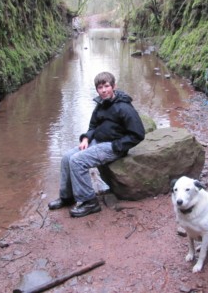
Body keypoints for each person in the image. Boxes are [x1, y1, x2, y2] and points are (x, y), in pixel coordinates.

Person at [48, 71, 145, 217]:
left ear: (114, 86)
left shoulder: (124, 108)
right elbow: (93, 126)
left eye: (106, 86)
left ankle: (90, 202)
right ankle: (67, 197)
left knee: (78, 161)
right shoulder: (100, 105)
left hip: (113, 146)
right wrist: (86, 139)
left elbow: (138, 134)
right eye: (100, 87)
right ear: (97, 90)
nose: (104, 90)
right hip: (96, 142)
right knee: (67, 157)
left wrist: (116, 146)